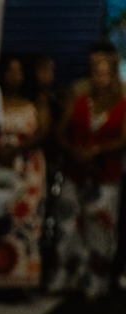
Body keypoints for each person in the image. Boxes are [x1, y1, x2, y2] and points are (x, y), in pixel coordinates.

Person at [54, 43, 126, 298]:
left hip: (105, 173)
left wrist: (97, 150)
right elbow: (61, 132)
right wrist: (75, 152)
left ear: (113, 75)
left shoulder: (122, 103)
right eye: (97, 73)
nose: (101, 79)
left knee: (100, 228)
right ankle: (64, 276)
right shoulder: (79, 100)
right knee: (67, 225)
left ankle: (94, 283)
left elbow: (122, 139)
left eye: (105, 74)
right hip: (75, 170)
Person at [0, 53, 48, 290]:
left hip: (28, 169)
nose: (14, 76)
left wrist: (17, 149)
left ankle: (22, 281)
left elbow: (44, 132)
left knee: (25, 222)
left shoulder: (35, 100)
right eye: (9, 71)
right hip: (0, 164)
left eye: (19, 71)